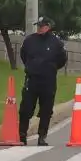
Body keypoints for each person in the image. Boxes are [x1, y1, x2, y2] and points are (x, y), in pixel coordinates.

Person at [18, 16, 67, 145]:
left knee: (46, 110)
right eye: (38, 25)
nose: (39, 28)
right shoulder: (30, 40)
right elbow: (23, 55)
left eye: (42, 25)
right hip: (32, 79)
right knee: (26, 108)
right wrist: (31, 67)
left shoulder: (56, 42)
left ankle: (42, 136)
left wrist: (50, 69)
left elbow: (62, 59)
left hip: (48, 81)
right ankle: (22, 134)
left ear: (48, 26)